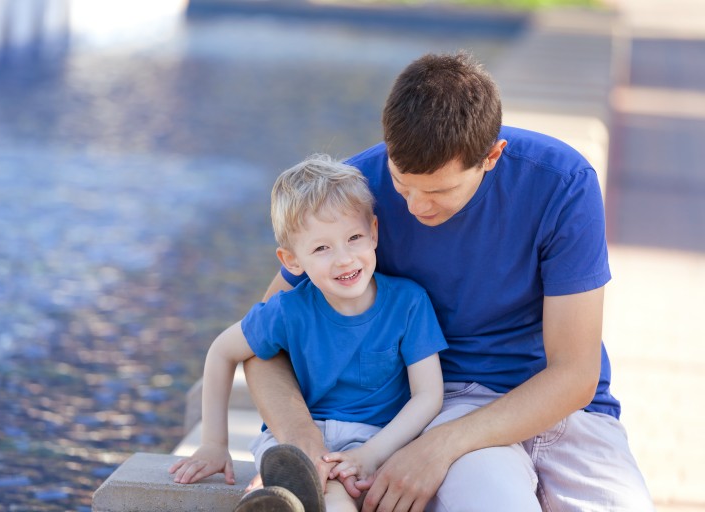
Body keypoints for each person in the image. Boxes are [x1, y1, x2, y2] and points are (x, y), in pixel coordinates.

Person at [242, 52, 655, 511]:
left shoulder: (563, 183)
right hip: (448, 402)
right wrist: (302, 439)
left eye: (439, 191)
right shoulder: (355, 197)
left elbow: (575, 374)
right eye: (402, 183)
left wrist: (437, 448)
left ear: (491, 156)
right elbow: (262, 343)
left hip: (566, 412)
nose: (416, 206)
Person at [169, 154, 447, 511]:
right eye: (321, 248)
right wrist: (213, 443)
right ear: (292, 261)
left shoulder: (409, 303)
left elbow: (428, 396)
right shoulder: (287, 310)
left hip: (374, 440)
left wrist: (370, 453)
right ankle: (276, 496)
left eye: (354, 238)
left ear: (374, 233)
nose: (344, 258)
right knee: (294, 477)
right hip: (293, 444)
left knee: (335, 494)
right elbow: (223, 351)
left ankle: (282, 498)